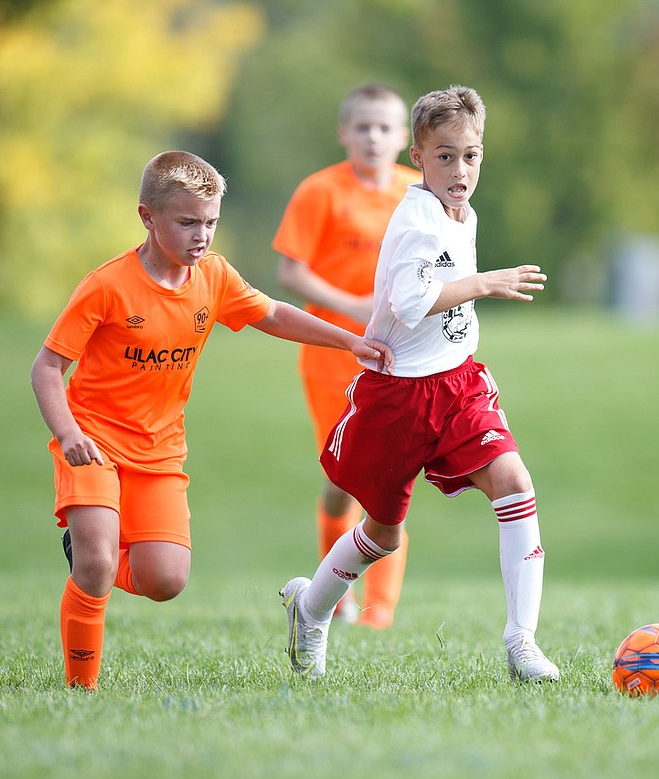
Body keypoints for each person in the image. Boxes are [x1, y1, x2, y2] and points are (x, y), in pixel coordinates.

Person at [31, 150, 392, 690]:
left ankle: (93, 558)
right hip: (93, 441)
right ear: (147, 217)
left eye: (211, 223)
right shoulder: (107, 285)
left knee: (166, 580)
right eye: (187, 222)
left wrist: (348, 339)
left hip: (160, 450)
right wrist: (68, 434)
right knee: (97, 562)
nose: (202, 235)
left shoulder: (214, 276)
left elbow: (271, 313)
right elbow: (47, 367)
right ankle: (80, 688)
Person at [279, 85, 560, 683]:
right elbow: (412, 304)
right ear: (419, 156)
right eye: (445, 156)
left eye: (472, 155)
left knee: (514, 482)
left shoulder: (464, 211)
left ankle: (522, 642)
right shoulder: (415, 222)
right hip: (399, 394)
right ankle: (310, 610)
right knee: (381, 532)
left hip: (458, 384)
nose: (460, 170)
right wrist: (484, 284)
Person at [271, 84, 421, 630]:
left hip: (399, 358)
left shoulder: (418, 193)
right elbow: (291, 271)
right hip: (333, 357)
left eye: (385, 128)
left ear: (405, 138)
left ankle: (378, 612)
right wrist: (353, 305)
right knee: (342, 483)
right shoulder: (320, 192)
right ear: (344, 134)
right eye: (363, 127)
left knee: (388, 481)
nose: (374, 138)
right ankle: (338, 593)